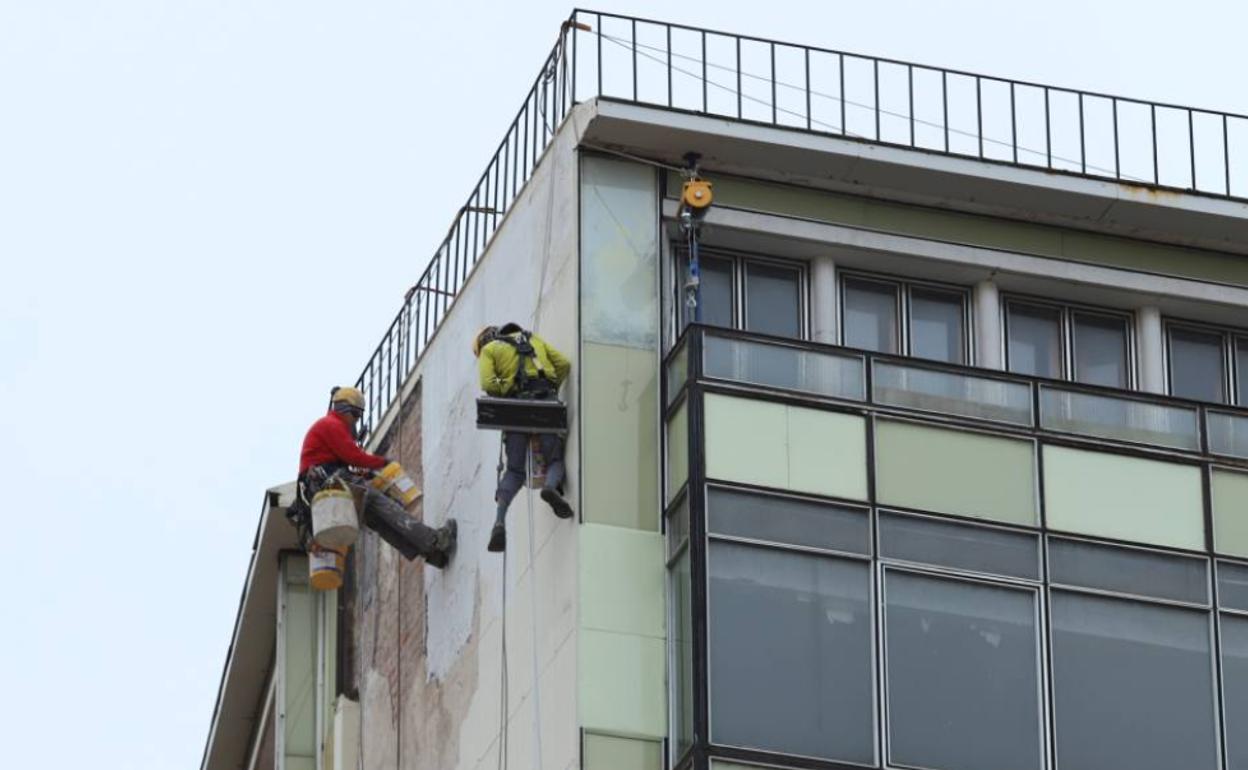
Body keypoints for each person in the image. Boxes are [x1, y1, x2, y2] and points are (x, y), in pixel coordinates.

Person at [293, 386, 457, 567]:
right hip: (327, 483)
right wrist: (382, 463)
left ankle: (432, 554)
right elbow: (353, 456)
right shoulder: (332, 425)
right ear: (347, 410)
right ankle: (435, 541)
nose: (355, 422)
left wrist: (363, 472)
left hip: (324, 486)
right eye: (356, 416)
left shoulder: (328, 426)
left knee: (378, 520)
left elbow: (339, 461)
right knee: (383, 505)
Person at [474, 323, 573, 552]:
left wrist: (509, 386)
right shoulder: (535, 340)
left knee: (515, 472)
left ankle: (499, 520)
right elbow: (564, 365)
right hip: (547, 405)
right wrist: (549, 388)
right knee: (554, 461)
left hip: (516, 409)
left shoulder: (490, 350)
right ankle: (549, 486)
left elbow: (489, 384)